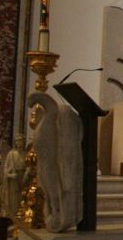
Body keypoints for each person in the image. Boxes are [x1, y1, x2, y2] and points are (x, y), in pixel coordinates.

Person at [28, 92, 83, 232]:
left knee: (54, 190)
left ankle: (59, 213)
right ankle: (55, 213)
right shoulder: (49, 119)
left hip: (52, 166)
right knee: (48, 190)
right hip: (45, 164)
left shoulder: (60, 117)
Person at [1, 133, 27, 216]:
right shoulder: (11, 154)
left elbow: (29, 166)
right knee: (13, 198)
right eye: (17, 141)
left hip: (23, 177)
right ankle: (12, 214)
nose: (19, 143)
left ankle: (21, 214)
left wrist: (26, 174)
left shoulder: (26, 154)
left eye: (21, 141)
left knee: (22, 196)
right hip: (13, 179)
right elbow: (5, 169)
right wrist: (11, 175)